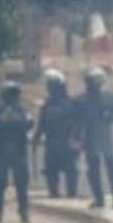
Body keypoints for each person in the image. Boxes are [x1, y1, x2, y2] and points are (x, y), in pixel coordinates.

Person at [75, 67, 113, 209]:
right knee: (104, 168)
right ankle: (111, 198)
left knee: (101, 168)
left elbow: (77, 121)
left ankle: (105, 198)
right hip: (101, 136)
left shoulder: (83, 99)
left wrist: (78, 137)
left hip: (100, 135)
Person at [0, 82, 33, 223]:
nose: (11, 98)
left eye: (13, 94)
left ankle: (24, 211)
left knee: (21, 184)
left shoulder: (22, 110)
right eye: (8, 94)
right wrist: (3, 121)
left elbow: (29, 123)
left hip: (19, 150)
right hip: (1, 150)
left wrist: (15, 121)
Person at [33, 69, 78, 199]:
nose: (49, 88)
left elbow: (76, 124)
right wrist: (36, 139)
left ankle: (72, 195)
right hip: (51, 142)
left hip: (66, 142)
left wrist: (76, 140)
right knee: (51, 170)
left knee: (70, 170)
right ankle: (53, 194)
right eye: (49, 85)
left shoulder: (70, 103)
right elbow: (41, 124)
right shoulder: (47, 104)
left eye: (51, 85)